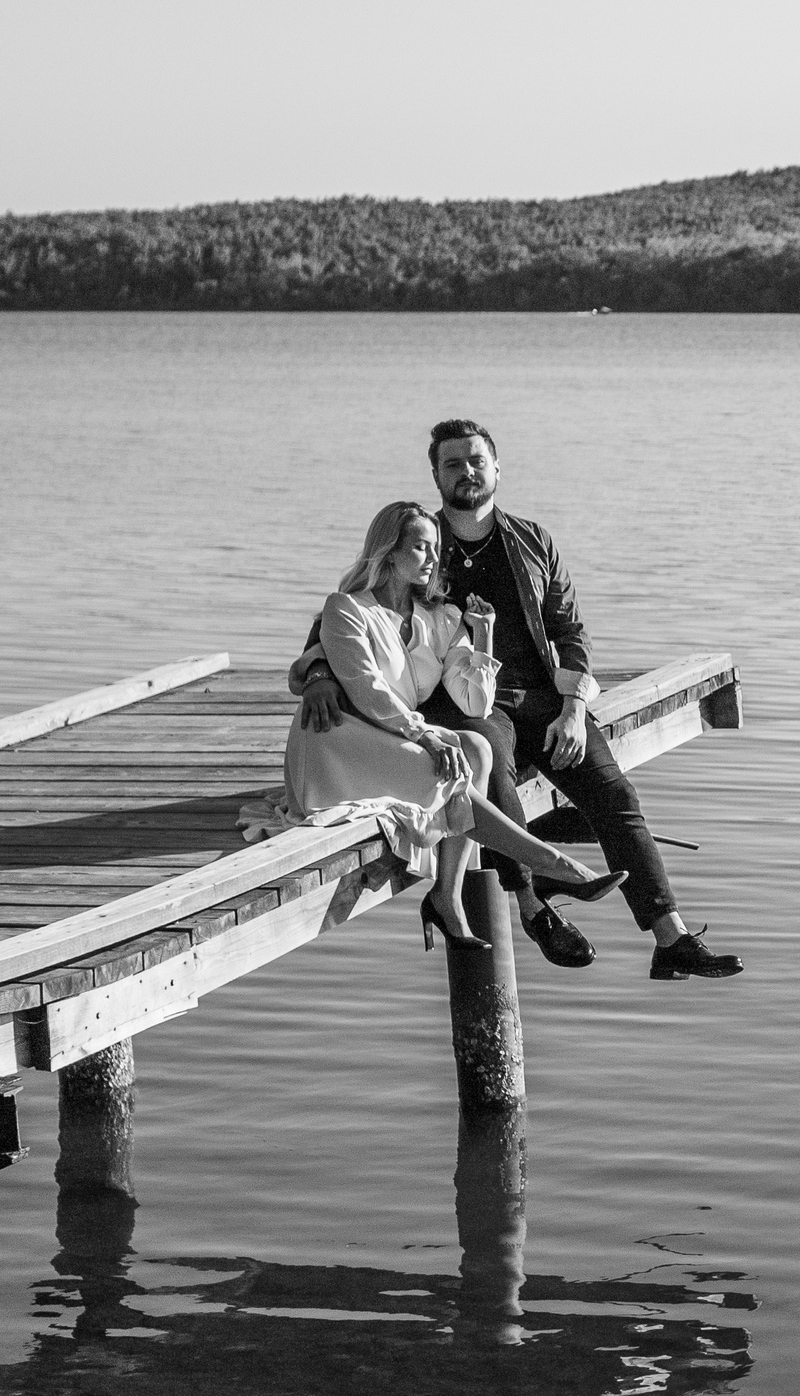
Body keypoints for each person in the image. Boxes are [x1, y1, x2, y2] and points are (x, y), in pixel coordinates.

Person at [291, 420, 742, 982]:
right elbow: (341, 620)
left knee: (614, 792)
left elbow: (571, 631)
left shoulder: (533, 541)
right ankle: (535, 905)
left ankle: (669, 935)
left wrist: (574, 708)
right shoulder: (425, 542)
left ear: (497, 468)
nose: (467, 471)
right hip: (471, 703)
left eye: (477, 460)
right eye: (452, 463)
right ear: (435, 474)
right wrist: (316, 676)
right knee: (489, 760)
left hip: (545, 701)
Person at [276, 500, 627, 953]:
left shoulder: (440, 618)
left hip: (391, 735)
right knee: (439, 771)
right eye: (419, 547)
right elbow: (366, 689)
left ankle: (447, 896)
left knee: (477, 749)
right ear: (388, 550)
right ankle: (551, 862)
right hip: (338, 739)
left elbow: (475, 702)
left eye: (434, 548)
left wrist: (483, 636)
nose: (430, 558)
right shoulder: (346, 608)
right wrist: (425, 733)